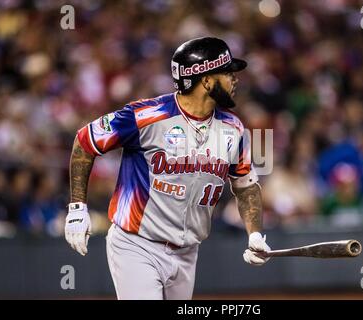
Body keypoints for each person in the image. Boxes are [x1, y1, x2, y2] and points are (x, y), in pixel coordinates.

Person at [64, 37, 271, 300]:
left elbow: (246, 185)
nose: (235, 79)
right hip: (136, 244)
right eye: (227, 73)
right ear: (206, 81)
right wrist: (77, 208)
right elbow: (85, 140)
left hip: (188, 251)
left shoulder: (234, 128)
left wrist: (254, 234)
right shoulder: (148, 115)